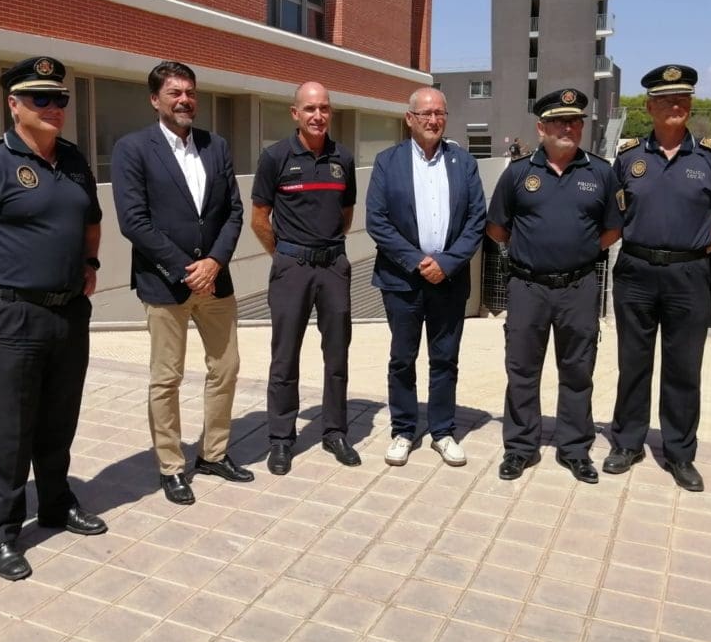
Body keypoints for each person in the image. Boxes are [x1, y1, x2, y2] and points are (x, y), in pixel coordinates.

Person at [0, 56, 107, 582]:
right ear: (14, 105)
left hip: (68, 314)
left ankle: (57, 503)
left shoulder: (75, 160)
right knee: (11, 432)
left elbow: (91, 221)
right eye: (41, 98)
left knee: (59, 422)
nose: (54, 107)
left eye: (60, 99)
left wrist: (90, 263)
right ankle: (1, 530)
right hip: (13, 314)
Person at [111, 61, 252, 506]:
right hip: (165, 283)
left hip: (216, 282)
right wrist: (186, 267)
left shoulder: (216, 146)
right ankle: (171, 466)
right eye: (174, 93)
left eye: (189, 92)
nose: (184, 100)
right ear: (155, 100)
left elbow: (233, 211)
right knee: (166, 377)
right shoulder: (133, 148)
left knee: (225, 367)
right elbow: (133, 222)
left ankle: (213, 453)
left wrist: (214, 262)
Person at [605, 65, 711, 492]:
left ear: (691, 104)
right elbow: (611, 217)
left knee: (684, 367)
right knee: (633, 362)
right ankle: (627, 443)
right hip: (636, 271)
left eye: (682, 99)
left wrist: (698, 252)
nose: (674, 106)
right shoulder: (628, 157)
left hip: (688, 274)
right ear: (649, 107)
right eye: (665, 100)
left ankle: (680, 453)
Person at [487, 89, 623, 483]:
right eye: (560, 122)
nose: (568, 127)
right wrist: (529, 252)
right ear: (541, 127)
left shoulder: (600, 172)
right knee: (522, 370)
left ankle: (575, 449)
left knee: (578, 371)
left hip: (578, 287)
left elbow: (613, 229)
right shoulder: (517, 173)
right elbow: (497, 226)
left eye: (575, 121)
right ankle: (520, 448)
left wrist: (578, 252)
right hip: (527, 287)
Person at [365, 87, 486, 468]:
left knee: (445, 359)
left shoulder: (464, 163)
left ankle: (443, 430)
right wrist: (418, 261)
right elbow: (377, 221)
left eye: (440, 113)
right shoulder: (388, 162)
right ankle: (403, 429)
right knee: (402, 358)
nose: (433, 120)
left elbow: (476, 221)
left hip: (449, 281)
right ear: (410, 119)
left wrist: (446, 263)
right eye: (426, 114)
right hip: (402, 280)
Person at [251, 81, 359, 474]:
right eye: (310, 108)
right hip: (291, 267)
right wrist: (283, 255)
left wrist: (325, 248)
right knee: (284, 357)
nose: (318, 116)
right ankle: (281, 438)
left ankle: (335, 431)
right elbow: (259, 218)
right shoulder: (275, 157)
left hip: (333, 266)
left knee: (337, 354)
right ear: (295, 113)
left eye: (324, 108)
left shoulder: (342, 159)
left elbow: (345, 216)